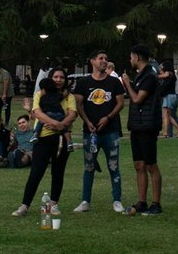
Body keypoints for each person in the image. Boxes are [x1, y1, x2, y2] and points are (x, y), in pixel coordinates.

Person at [12, 68, 77, 216]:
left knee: (58, 172)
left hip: (60, 139)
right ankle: (24, 205)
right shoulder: (40, 94)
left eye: (61, 77)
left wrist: (59, 126)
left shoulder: (69, 97)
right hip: (42, 138)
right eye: (55, 77)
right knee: (36, 172)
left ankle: (53, 204)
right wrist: (56, 124)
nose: (58, 80)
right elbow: (38, 113)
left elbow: (72, 115)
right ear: (50, 78)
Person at [71, 50, 126, 214]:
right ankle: (85, 201)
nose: (104, 61)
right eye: (100, 58)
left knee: (114, 166)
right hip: (90, 132)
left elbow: (120, 103)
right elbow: (78, 104)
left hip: (110, 132)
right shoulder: (83, 82)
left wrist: (108, 117)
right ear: (92, 61)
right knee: (89, 167)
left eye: (106, 59)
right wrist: (87, 122)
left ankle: (117, 200)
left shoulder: (114, 82)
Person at [122, 44, 163, 215]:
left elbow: (138, 99)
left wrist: (127, 83)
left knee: (151, 165)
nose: (130, 59)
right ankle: (142, 202)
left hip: (147, 126)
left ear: (137, 57)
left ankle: (156, 203)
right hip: (137, 126)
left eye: (131, 56)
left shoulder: (149, 76)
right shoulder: (140, 76)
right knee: (139, 165)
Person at [158, 60, 178, 138]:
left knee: (165, 115)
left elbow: (162, 76)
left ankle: (165, 133)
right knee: (168, 115)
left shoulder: (169, 73)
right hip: (171, 96)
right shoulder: (172, 75)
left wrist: (152, 76)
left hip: (169, 96)